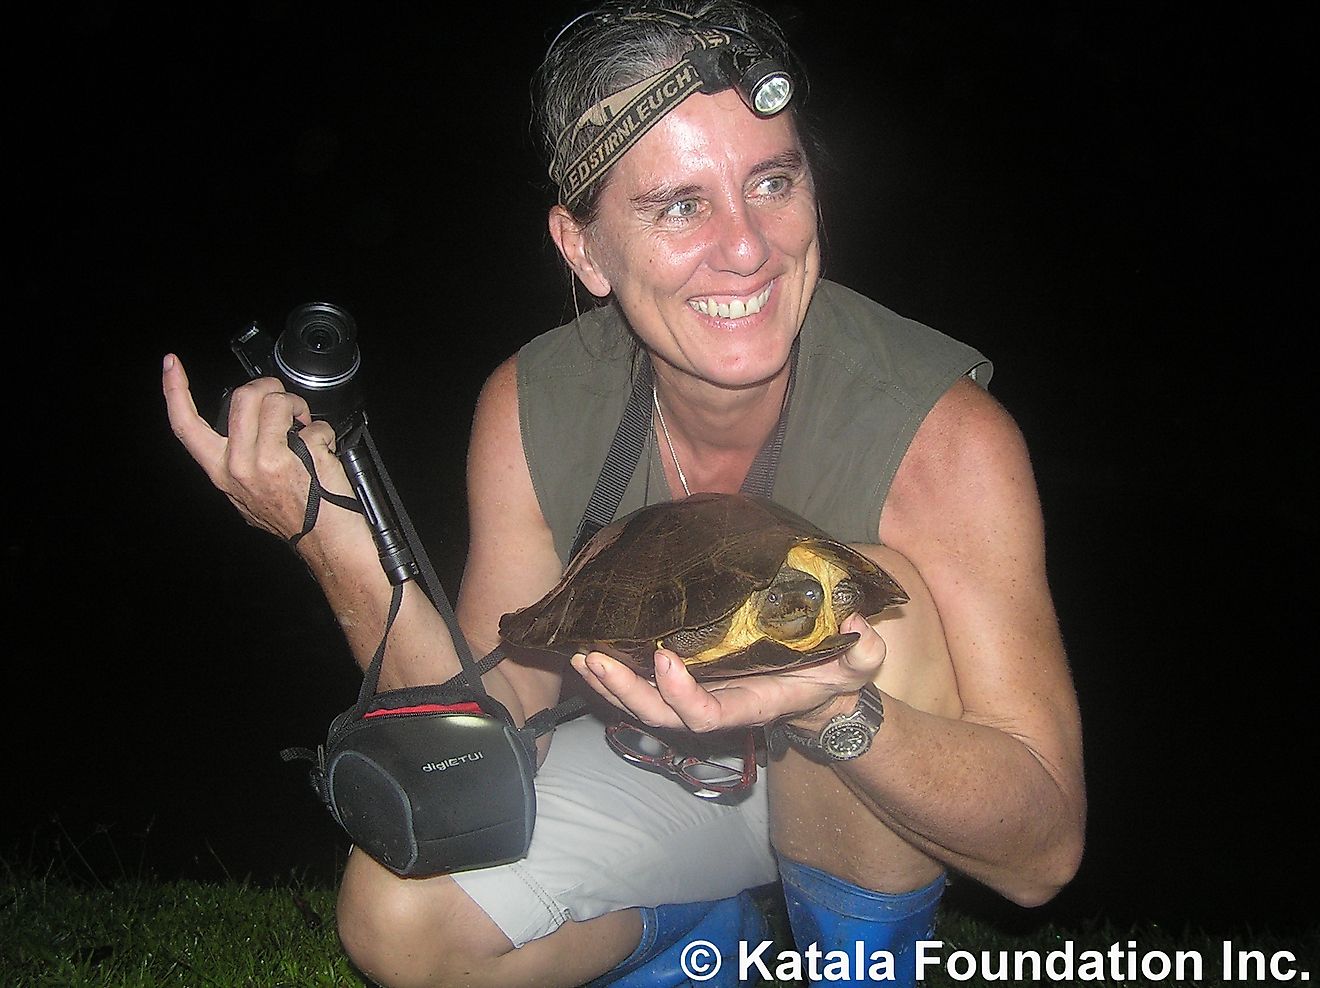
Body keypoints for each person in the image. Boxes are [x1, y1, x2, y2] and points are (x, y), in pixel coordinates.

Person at [163, 1, 1085, 985]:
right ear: (584, 249)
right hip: (680, 781)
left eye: (773, 181)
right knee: (398, 922)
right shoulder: (535, 402)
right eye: (680, 206)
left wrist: (831, 711)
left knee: (854, 599)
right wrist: (335, 541)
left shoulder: (945, 438)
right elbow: (481, 735)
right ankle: (696, 942)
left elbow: (1041, 855)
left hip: (864, 781)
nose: (748, 247)